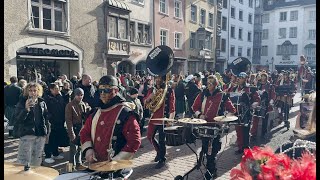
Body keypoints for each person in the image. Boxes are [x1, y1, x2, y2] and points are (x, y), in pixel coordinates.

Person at [80, 75, 141, 164]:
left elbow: (134, 141)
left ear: (116, 91)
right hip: (95, 164)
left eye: (107, 90)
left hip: (116, 167)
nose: (103, 94)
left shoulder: (125, 113)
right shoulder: (95, 113)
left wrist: (116, 160)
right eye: (100, 90)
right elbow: (84, 132)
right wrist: (88, 149)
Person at [192, 75, 236, 179]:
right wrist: (199, 115)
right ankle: (212, 170)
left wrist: (224, 118)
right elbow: (194, 107)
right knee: (205, 149)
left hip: (216, 128)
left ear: (216, 84)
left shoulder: (222, 96)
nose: (209, 85)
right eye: (207, 83)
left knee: (212, 151)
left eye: (211, 83)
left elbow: (232, 110)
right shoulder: (202, 94)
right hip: (204, 127)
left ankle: (210, 172)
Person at [14, 82, 50, 166]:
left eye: (35, 90)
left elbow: (46, 119)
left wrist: (47, 133)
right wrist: (26, 109)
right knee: (24, 161)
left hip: (40, 134)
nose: (33, 92)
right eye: (30, 90)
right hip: (27, 134)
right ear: (27, 91)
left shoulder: (42, 102)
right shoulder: (22, 102)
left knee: (37, 160)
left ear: (38, 91)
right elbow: (18, 120)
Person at [144, 75, 175, 169]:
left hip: (163, 119)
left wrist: (170, 119)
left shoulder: (169, 90)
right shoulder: (151, 90)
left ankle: (162, 158)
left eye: (160, 78)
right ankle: (159, 152)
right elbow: (145, 104)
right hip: (153, 118)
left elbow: (172, 105)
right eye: (156, 78)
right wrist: (149, 97)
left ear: (163, 79)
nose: (158, 80)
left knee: (162, 141)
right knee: (149, 137)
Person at [230, 72, 260, 154]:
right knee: (238, 130)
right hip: (237, 112)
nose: (239, 79)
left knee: (246, 130)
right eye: (239, 77)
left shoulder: (251, 88)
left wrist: (255, 103)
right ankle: (240, 147)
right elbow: (229, 97)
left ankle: (246, 147)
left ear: (245, 79)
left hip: (246, 112)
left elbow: (257, 98)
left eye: (242, 77)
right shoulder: (234, 88)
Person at [65, 88, 90, 171]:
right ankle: (71, 166)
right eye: (78, 95)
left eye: (81, 95)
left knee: (80, 147)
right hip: (74, 128)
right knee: (73, 149)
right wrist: (71, 133)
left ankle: (79, 164)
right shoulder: (70, 105)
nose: (80, 96)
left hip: (81, 128)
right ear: (75, 95)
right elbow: (68, 121)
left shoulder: (83, 104)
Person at [43, 83, 66, 163]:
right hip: (51, 122)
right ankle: (48, 155)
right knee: (49, 139)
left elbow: (62, 106)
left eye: (58, 88)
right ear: (51, 89)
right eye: (56, 88)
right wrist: (49, 117)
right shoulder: (47, 98)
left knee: (56, 138)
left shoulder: (59, 96)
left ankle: (55, 153)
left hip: (59, 121)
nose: (58, 90)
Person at [250, 71, 276, 139]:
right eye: (262, 76)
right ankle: (253, 133)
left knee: (265, 119)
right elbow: (252, 90)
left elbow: (273, 93)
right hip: (257, 103)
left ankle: (263, 133)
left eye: (264, 76)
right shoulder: (257, 84)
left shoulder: (269, 85)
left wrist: (271, 100)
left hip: (266, 104)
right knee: (255, 118)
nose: (263, 77)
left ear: (266, 77)